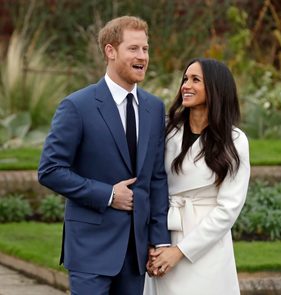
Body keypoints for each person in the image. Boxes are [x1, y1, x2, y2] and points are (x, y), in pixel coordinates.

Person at [38, 16, 170, 295]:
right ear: (110, 51)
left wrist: (159, 240)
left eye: (145, 49)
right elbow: (50, 170)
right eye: (133, 49)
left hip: (136, 253)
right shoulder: (77, 106)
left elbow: (156, 178)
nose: (143, 56)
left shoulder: (154, 108)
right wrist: (108, 194)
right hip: (90, 251)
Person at [145, 58, 250, 295]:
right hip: (163, 235)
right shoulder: (166, 130)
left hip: (206, 246)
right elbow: (151, 185)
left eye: (195, 80)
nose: (186, 85)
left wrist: (180, 251)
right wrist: (153, 241)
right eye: (185, 79)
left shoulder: (234, 141)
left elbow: (228, 209)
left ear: (215, 88)